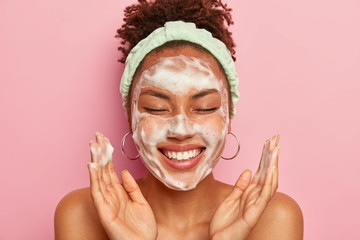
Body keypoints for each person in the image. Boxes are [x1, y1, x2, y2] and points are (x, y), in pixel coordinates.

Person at [54, 0, 304, 239]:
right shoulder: (82, 213)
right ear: (132, 117)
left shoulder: (274, 217)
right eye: (157, 108)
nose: (181, 129)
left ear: (228, 116)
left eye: (205, 108)